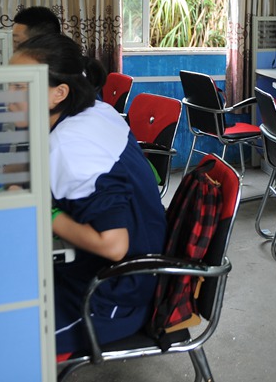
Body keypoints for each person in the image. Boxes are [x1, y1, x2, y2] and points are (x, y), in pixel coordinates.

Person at [10, 33, 166, 355]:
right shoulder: (94, 109)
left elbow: (113, 245)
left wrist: (45, 212)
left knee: (5, 339)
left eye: (18, 86)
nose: (7, 96)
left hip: (110, 295)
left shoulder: (69, 146)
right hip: (119, 269)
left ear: (59, 93)